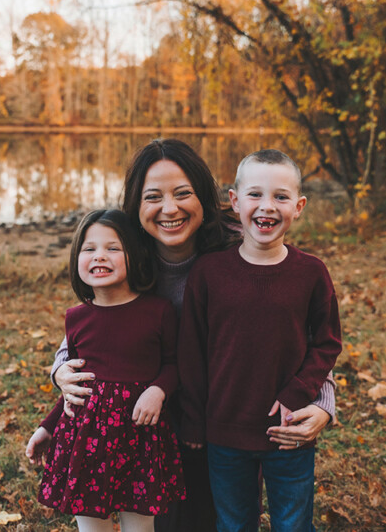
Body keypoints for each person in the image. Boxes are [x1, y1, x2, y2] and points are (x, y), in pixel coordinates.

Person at [26, 139, 337, 531]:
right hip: (146, 423)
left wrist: (322, 401)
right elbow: (95, 322)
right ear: (136, 205)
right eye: (153, 197)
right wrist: (60, 369)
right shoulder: (125, 254)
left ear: (205, 197)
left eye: (183, 193)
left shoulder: (242, 246)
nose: (170, 209)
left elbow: (297, 329)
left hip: (226, 416)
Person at [177, 149, 342, 532]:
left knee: (293, 524)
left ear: (298, 207)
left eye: (280, 197)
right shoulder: (209, 272)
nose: (267, 206)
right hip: (225, 432)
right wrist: (194, 420)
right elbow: (192, 353)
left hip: (289, 431)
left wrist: (299, 392)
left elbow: (327, 342)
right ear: (235, 201)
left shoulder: (311, 273)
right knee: (234, 524)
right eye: (255, 194)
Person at [34, 209, 185, 532]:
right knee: (92, 527)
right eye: (89, 249)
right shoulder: (77, 318)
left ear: (135, 255)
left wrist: (158, 390)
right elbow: (75, 387)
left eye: (113, 248)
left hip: (140, 437)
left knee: (140, 527)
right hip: (86, 442)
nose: (99, 256)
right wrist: (48, 427)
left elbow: (174, 364)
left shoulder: (157, 311)